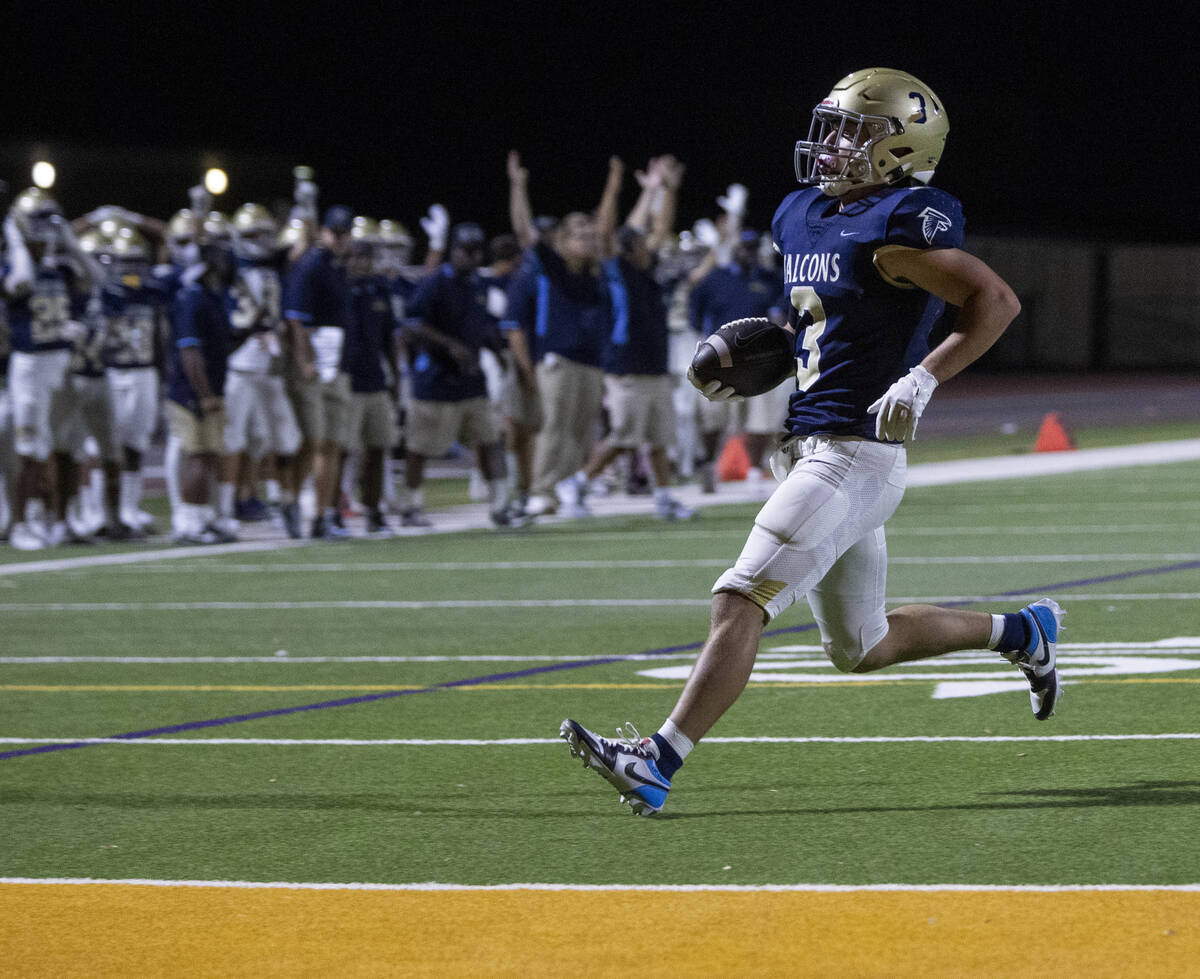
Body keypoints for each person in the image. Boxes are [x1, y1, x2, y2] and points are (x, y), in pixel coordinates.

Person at [560, 68, 1064, 816]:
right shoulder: (803, 214)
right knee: (860, 646)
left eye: (853, 132)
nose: (831, 145)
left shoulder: (900, 222)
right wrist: (755, 354)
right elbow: (822, 320)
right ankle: (1022, 631)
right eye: (831, 128)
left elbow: (995, 299)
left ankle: (655, 759)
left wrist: (923, 378)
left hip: (856, 452)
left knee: (741, 595)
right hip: (810, 444)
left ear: (902, 146)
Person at [559, 155, 696, 520]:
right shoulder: (617, 270)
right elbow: (606, 230)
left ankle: (664, 499)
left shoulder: (648, 272)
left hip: (653, 365)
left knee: (660, 439)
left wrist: (668, 190)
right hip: (626, 367)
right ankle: (577, 483)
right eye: (641, 244)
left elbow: (663, 225)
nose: (650, 246)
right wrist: (615, 186)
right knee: (623, 437)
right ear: (629, 249)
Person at [3, 188, 104, 550]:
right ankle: (22, 524)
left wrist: (71, 243)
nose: (46, 228)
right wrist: (16, 238)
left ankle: (60, 521)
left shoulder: (59, 268)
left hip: (61, 366)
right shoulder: (12, 265)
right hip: (30, 367)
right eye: (38, 220)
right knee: (30, 450)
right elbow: (22, 282)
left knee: (66, 447)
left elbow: (96, 278)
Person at [400, 221, 512, 527]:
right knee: (420, 447)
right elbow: (412, 324)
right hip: (436, 378)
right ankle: (411, 506)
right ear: (454, 251)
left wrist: (498, 354)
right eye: (466, 250)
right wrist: (450, 345)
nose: (472, 257)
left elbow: (484, 326)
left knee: (490, 439)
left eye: (477, 251)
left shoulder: (479, 285)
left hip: (472, 380)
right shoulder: (435, 283)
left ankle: (501, 504)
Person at [689, 223, 789, 494]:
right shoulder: (716, 279)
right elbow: (695, 316)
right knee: (713, 417)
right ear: (733, 249)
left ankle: (754, 471)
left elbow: (781, 314)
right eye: (743, 246)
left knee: (760, 418)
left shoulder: (771, 279)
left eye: (752, 247)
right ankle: (709, 465)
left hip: (758, 360)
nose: (748, 252)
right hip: (718, 361)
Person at [283, 205, 356, 539]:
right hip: (314, 361)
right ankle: (290, 499)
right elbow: (296, 317)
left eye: (345, 233)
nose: (340, 239)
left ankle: (322, 516)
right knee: (314, 439)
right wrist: (303, 360)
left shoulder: (339, 268)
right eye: (335, 233)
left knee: (332, 443)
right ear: (325, 232)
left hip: (335, 362)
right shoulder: (311, 264)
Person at [166, 242, 239, 544]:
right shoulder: (192, 297)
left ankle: (202, 516)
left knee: (209, 455)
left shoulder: (213, 297)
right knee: (197, 455)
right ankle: (188, 521)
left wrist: (253, 329)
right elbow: (190, 352)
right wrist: (204, 393)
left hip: (213, 387)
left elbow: (222, 346)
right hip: (192, 391)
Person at [343, 229, 400, 534]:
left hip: (375, 380)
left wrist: (396, 378)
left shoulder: (379, 289)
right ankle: (334, 510)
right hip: (345, 380)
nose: (359, 262)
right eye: (354, 256)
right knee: (342, 450)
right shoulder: (338, 287)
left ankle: (373, 510)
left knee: (378, 447)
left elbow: (390, 338)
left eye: (365, 257)